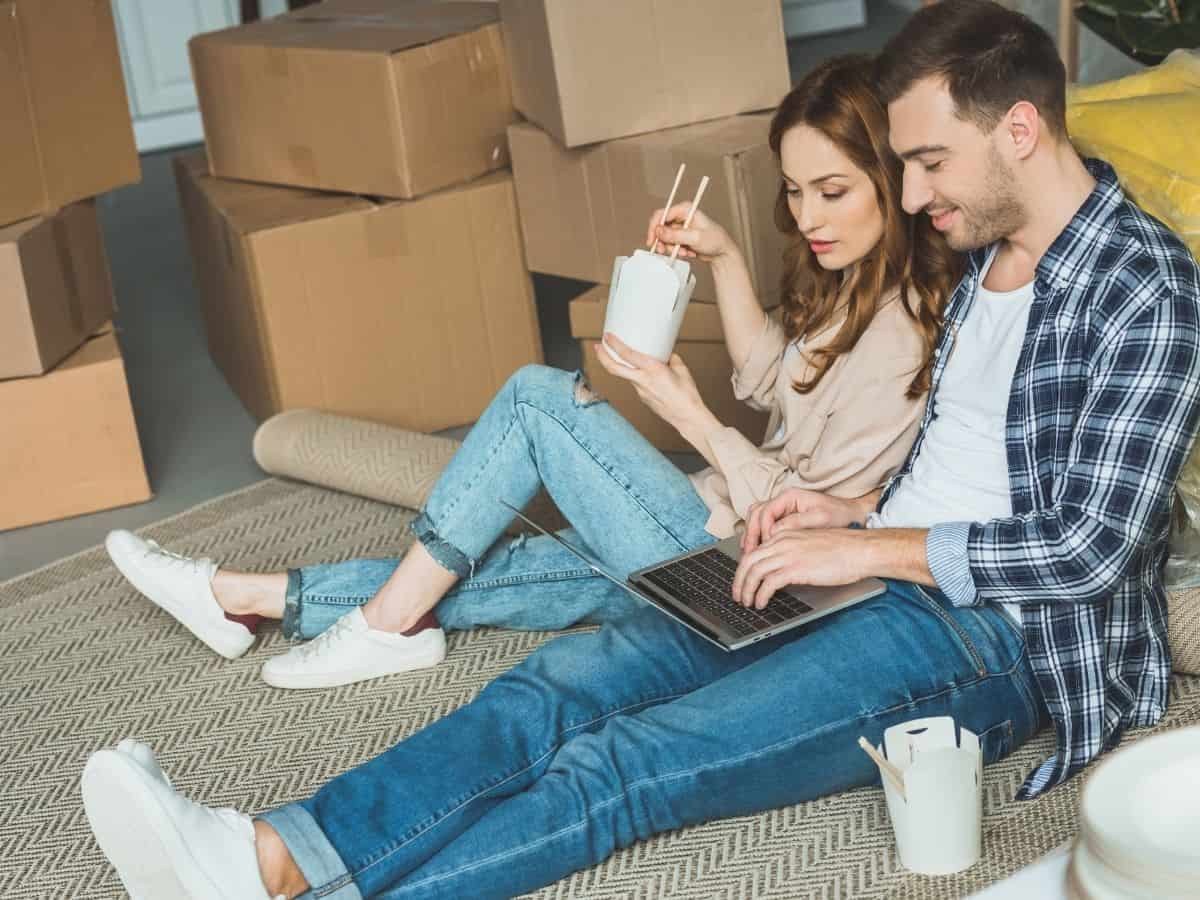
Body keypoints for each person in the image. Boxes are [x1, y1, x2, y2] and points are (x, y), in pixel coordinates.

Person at [82, 5, 1200, 895]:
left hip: (993, 643)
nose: (911, 195)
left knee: (627, 767)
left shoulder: (1145, 292)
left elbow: (1087, 552)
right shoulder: (985, 255)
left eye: (927, 163)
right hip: (872, 562)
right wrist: (844, 523)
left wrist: (872, 548)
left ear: (1019, 130)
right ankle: (265, 858)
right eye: (899, 166)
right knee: (566, 677)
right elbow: (954, 462)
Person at [101, 54, 952, 692]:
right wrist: (726, 256)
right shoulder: (852, 281)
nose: (807, 217)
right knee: (486, 574)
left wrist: (687, 412)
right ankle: (241, 597)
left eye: (833, 191)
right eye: (795, 192)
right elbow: (774, 384)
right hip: (717, 531)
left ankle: (382, 624)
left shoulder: (906, 338)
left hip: (765, 589)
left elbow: (797, 523)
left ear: (890, 179)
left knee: (540, 400)